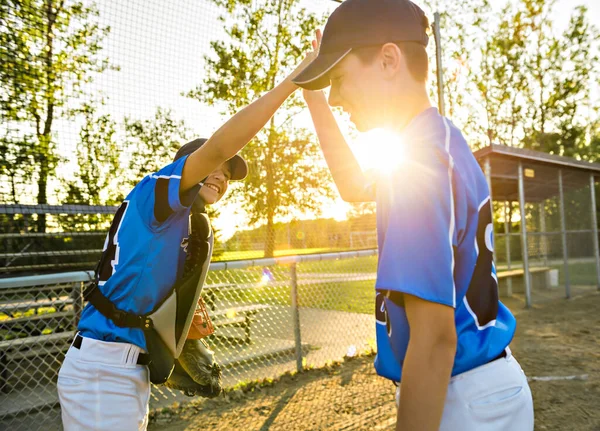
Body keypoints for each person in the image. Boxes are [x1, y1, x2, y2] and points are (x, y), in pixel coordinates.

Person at [293, 0, 534, 430]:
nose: (336, 94)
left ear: (389, 60)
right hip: (484, 386)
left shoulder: (417, 160)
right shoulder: (435, 141)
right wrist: (315, 102)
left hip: (458, 390)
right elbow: (352, 187)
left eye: (341, 77)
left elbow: (435, 339)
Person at [57, 49, 316, 430]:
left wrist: (178, 324)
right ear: (185, 168)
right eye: (217, 166)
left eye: (229, 175)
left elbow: (143, 296)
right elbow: (218, 146)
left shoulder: (179, 228)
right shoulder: (157, 193)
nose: (222, 176)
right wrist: (292, 82)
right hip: (104, 371)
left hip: (123, 371)